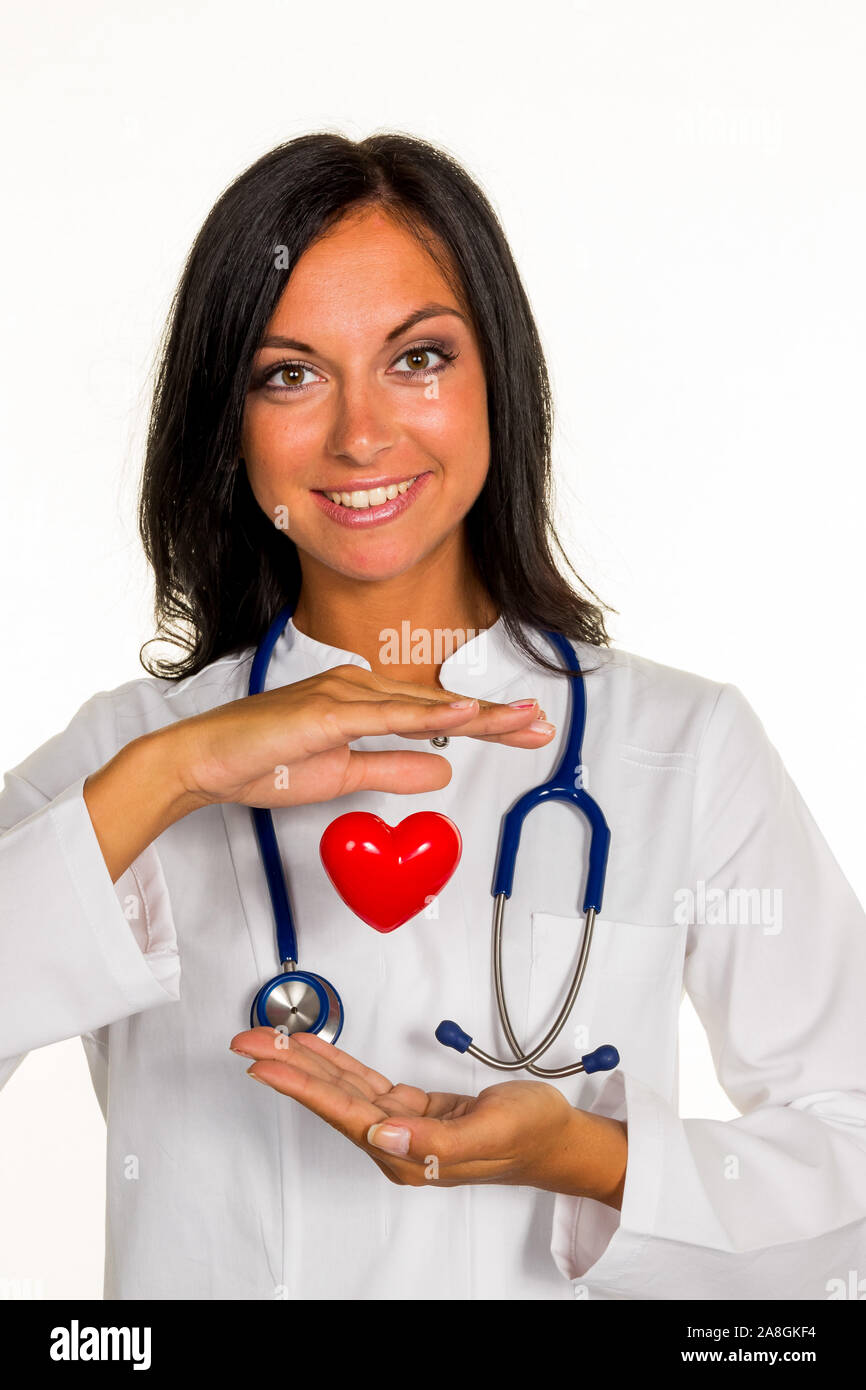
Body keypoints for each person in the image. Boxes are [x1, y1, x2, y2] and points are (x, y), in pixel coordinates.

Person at [2, 132, 864, 1302]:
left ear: (495, 378)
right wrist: (176, 774)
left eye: (416, 357)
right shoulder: (129, 754)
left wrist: (589, 1158)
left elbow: (849, 1150)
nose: (360, 434)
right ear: (229, 418)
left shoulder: (681, 745)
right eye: (288, 373)